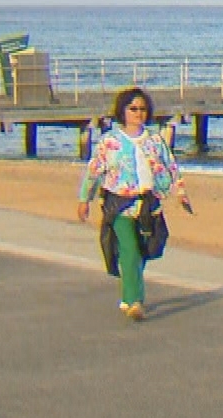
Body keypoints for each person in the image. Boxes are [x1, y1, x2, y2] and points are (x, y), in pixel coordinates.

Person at [76, 86, 190, 321]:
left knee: (144, 251)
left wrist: (180, 192)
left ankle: (129, 295)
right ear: (123, 111)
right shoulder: (110, 141)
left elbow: (171, 166)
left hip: (148, 205)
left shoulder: (155, 140)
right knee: (129, 249)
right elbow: (93, 171)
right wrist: (84, 199)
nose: (138, 113)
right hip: (119, 204)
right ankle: (135, 301)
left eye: (142, 109)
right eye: (133, 108)